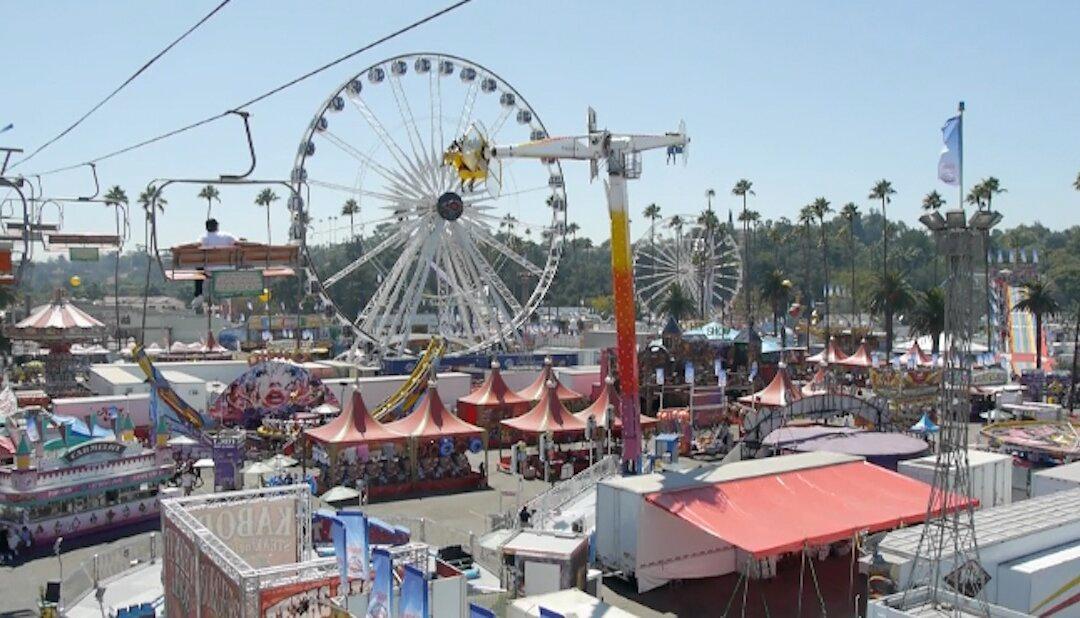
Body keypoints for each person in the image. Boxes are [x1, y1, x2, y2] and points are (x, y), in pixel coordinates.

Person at [191, 218, 239, 307]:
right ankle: (223, 296)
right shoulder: (227, 236)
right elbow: (239, 244)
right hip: (227, 269)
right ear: (217, 226)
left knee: (199, 268)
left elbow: (197, 247)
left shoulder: (204, 238)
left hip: (210, 271)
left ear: (206, 227)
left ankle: (198, 294)